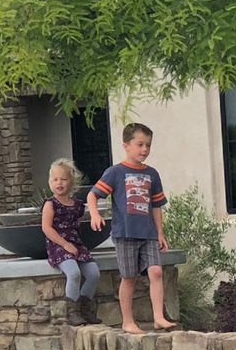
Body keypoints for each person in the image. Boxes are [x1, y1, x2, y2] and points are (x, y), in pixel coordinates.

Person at [88, 122, 177, 334]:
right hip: (125, 234)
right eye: (140, 145)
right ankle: (127, 321)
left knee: (156, 271)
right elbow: (93, 194)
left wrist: (160, 233)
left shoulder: (152, 174)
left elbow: (156, 206)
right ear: (126, 145)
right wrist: (94, 214)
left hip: (148, 234)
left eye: (148, 145)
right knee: (129, 277)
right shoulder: (115, 172)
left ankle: (158, 317)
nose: (144, 150)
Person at [41, 158, 101, 325]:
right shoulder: (50, 204)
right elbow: (47, 228)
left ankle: (84, 308)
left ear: (71, 182)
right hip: (58, 245)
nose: (59, 183)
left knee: (94, 274)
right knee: (73, 273)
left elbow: (77, 224)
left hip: (76, 244)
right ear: (50, 182)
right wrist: (64, 244)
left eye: (63, 179)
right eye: (55, 179)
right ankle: (72, 311)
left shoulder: (78, 205)